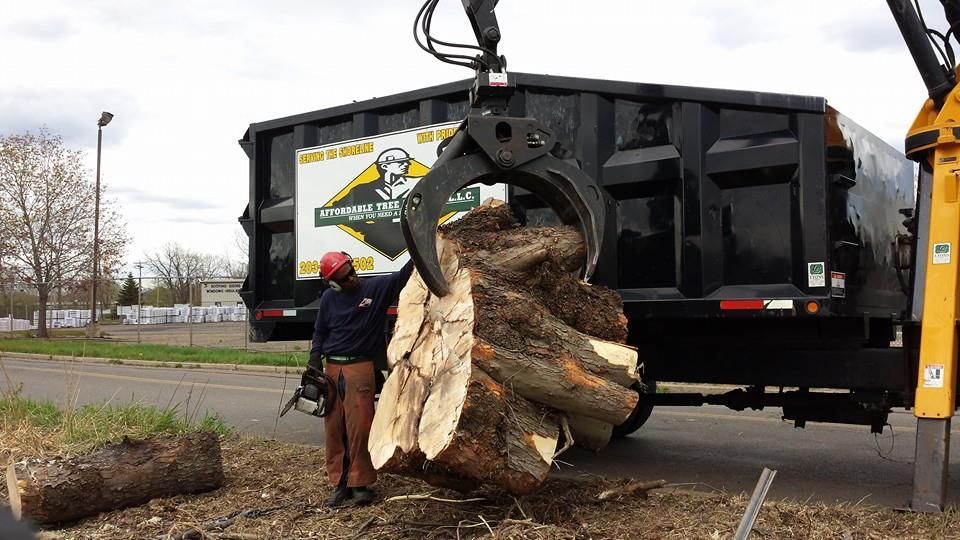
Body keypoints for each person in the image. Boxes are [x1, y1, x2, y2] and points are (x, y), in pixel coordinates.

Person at [309, 251, 414, 506]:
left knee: (361, 427)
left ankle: (361, 484)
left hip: (360, 368)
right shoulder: (328, 300)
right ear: (333, 283)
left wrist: (418, 245)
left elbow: (403, 276)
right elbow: (320, 331)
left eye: (351, 271)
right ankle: (339, 483)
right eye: (344, 278)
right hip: (333, 369)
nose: (352, 279)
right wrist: (314, 357)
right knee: (335, 429)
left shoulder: (374, 289)